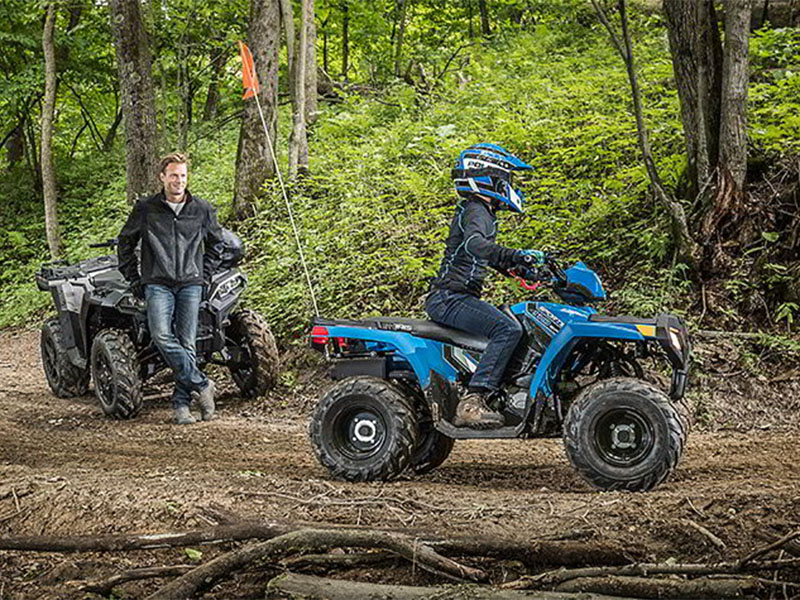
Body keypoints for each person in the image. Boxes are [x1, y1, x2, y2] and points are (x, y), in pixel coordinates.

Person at [426, 143, 544, 429]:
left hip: (454, 296)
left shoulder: (479, 210)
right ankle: (473, 401)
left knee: (516, 324)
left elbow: (478, 255)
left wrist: (518, 267)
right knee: (508, 328)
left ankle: (501, 392)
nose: (509, 186)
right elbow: (476, 245)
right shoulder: (477, 209)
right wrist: (516, 254)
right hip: (449, 298)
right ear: (488, 178)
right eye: (505, 179)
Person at [117, 153, 225, 424]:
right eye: (174, 175)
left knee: (187, 343)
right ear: (162, 177)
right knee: (162, 336)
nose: (179, 180)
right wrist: (135, 278)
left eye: (183, 175)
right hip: (157, 283)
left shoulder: (201, 209)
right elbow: (125, 243)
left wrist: (205, 275)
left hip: (190, 283)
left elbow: (216, 245)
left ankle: (180, 406)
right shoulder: (146, 208)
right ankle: (202, 384)